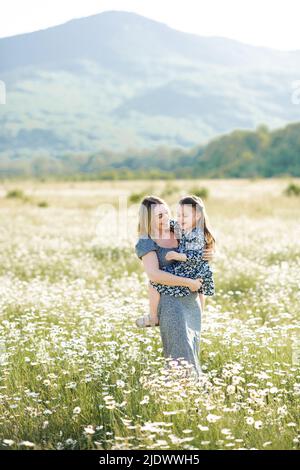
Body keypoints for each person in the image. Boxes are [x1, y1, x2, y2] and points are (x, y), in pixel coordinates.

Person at [134, 195, 215, 379]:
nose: (165, 219)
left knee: (192, 349)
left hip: (192, 301)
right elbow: (154, 275)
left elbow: (200, 244)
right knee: (181, 353)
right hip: (170, 302)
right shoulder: (146, 241)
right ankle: (188, 395)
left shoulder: (178, 227)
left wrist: (209, 253)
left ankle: (189, 397)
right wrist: (189, 283)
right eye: (159, 216)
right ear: (148, 220)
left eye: (166, 213)